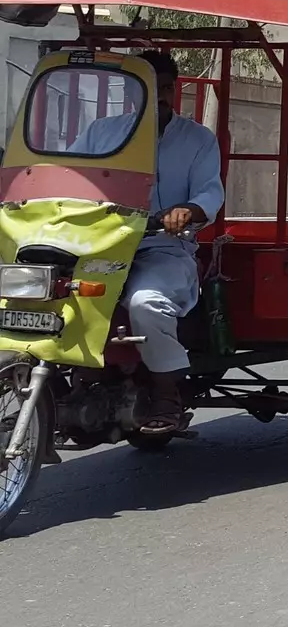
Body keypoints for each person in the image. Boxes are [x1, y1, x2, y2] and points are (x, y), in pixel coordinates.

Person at [81, 50, 224, 435]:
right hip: (98, 246)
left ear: (174, 90)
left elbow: (211, 193)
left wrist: (187, 210)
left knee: (146, 304)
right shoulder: (100, 132)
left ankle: (166, 395)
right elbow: (69, 176)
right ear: (131, 93)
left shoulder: (197, 139)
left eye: (164, 88)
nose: (158, 96)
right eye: (148, 89)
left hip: (163, 247)